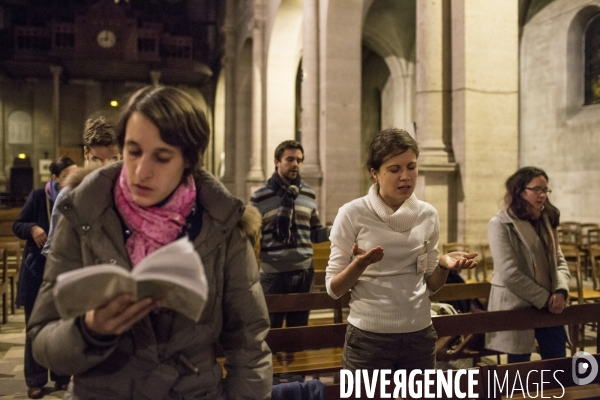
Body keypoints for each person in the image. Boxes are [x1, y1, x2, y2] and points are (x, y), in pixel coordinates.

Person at [28, 85, 272, 399]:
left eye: (162, 156)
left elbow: (249, 344)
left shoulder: (222, 223)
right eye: (133, 151)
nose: (141, 171)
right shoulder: (85, 213)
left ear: (188, 159)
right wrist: (89, 331)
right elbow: (43, 342)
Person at [325, 128, 477, 373]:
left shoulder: (428, 215)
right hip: (368, 338)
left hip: (419, 335)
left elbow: (431, 286)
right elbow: (334, 289)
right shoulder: (352, 214)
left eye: (411, 167)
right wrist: (360, 264)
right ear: (375, 173)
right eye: (395, 169)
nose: (405, 176)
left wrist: (443, 265)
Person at [485, 166, 570, 363]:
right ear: (520, 190)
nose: (542, 195)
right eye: (536, 189)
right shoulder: (499, 223)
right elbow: (509, 273)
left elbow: (559, 262)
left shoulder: (546, 221)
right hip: (517, 305)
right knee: (519, 371)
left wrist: (560, 292)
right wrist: (545, 298)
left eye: (545, 190)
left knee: (557, 365)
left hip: (550, 305)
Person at [12, 156, 76, 399]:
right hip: (37, 271)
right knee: (35, 327)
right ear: (55, 178)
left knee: (62, 327)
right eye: (68, 176)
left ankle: (61, 377)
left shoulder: (75, 198)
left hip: (64, 272)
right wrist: (33, 228)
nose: (73, 180)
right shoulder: (39, 197)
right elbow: (17, 225)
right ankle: (35, 380)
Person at [250, 140, 330, 328]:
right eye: (290, 159)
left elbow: (314, 233)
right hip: (274, 274)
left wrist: (338, 230)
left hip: (304, 272)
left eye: (299, 160)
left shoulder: (308, 194)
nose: (296, 164)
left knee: (299, 331)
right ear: (277, 161)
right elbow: (249, 236)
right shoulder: (260, 196)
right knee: (272, 332)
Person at [41, 116, 120, 257]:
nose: (104, 168)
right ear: (86, 153)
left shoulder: (129, 193)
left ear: (120, 156)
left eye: (112, 160)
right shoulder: (69, 195)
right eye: (97, 160)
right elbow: (52, 249)